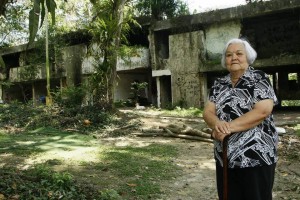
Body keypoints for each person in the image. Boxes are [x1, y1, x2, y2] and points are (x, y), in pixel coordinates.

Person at [203, 38, 278, 200]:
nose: (234, 57)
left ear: (248, 57)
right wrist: (217, 123)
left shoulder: (259, 78)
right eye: (229, 55)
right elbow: (208, 112)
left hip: (256, 156)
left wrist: (226, 128)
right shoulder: (219, 84)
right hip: (225, 157)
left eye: (239, 53)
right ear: (225, 60)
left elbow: (262, 111)